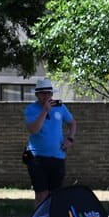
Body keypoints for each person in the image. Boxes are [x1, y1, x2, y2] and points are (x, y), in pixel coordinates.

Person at [23, 78, 77, 206]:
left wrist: (70, 138)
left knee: (55, 194)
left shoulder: (60, 107)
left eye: (48, 93)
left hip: (58, 156)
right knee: (41, 194)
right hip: (37, 157)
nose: (46, 96)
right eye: (43, 93)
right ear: (37, 94)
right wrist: (45, 111)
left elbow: (72, 123)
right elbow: (34, 130)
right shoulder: (30, 109)